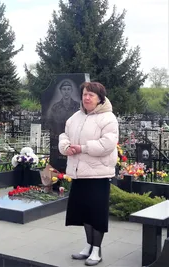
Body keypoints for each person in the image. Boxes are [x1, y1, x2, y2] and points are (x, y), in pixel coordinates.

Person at [58, 82, 118, 266]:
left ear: (100, 98)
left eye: (91, 95)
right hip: (79, 173)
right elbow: (64, 135)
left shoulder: (108, 118)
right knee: (84, 213)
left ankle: (97, 251)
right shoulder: (75, 117)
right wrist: (65, 147)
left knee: (96, 215)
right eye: (84, 94)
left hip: (98, 175)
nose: (86, 98)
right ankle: (88, 246)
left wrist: (82, 148)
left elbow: (107, 144)